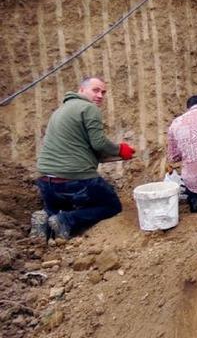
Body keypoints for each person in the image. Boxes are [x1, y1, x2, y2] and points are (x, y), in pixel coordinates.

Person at [33, 77, 134, 240]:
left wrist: (109, 154)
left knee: (62, 204)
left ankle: (46, 218)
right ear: (81, 90)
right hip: (74, 180)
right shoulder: (89, 108)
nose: (100, 95)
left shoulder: (60, 111)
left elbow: (83, 147)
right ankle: (65, 219)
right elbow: (99, 143)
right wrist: (120, 149)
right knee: (112, 205)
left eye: (103, 92)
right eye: (96, 90)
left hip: (46, 181)